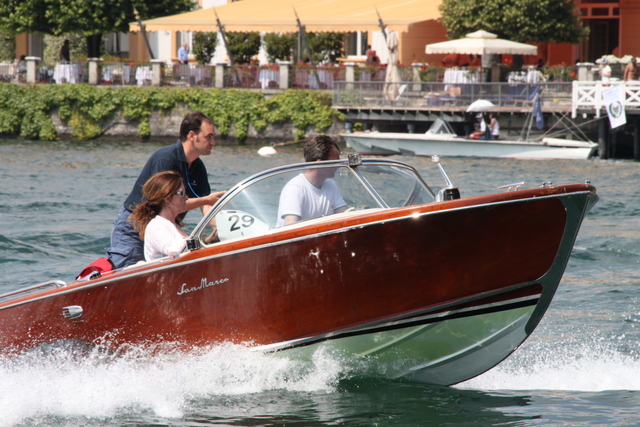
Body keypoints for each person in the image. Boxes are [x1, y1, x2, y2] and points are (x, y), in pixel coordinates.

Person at [106, 111, 225, 269]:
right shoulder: (166, 159)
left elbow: (206, 204)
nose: (213, 142)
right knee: (129, 278)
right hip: (134, 226)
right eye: (208, 137)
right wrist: (206, 200)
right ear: (192, 136)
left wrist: (219, 230)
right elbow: (164, 202)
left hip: (165, 226)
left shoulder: (198, 166)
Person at [276, 135, 348, 227]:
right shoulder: (295, 188)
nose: (338, 165)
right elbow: (290, 227)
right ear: (320, 163)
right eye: (335, 161)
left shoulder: (331, 185)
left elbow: (345, 214)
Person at [129, 171, 189, 261]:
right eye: (182, 193)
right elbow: (174, 249)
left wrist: (208, 240)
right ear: (168, 198)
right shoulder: (156, 226)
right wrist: (197, 241)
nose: (187, 197)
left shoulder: (172, 225)